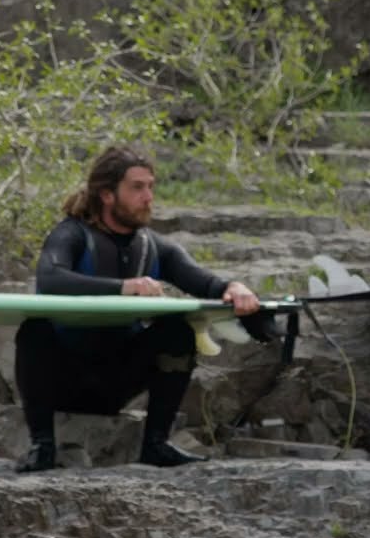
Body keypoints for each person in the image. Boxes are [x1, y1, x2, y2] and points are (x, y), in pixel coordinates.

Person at [14, 145, 266, 473]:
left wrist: (235, 288)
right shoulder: (71, 234)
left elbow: (206, 283)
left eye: (151, 187)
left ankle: (156, 445)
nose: (148, 197)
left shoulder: (151, 246)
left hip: (117, 380)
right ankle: (42, 447)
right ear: (107, 194)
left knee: (177, 331)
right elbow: (50, 279)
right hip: (66, 381)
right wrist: (124, 287)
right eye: (137, 187)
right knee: (34, 329)